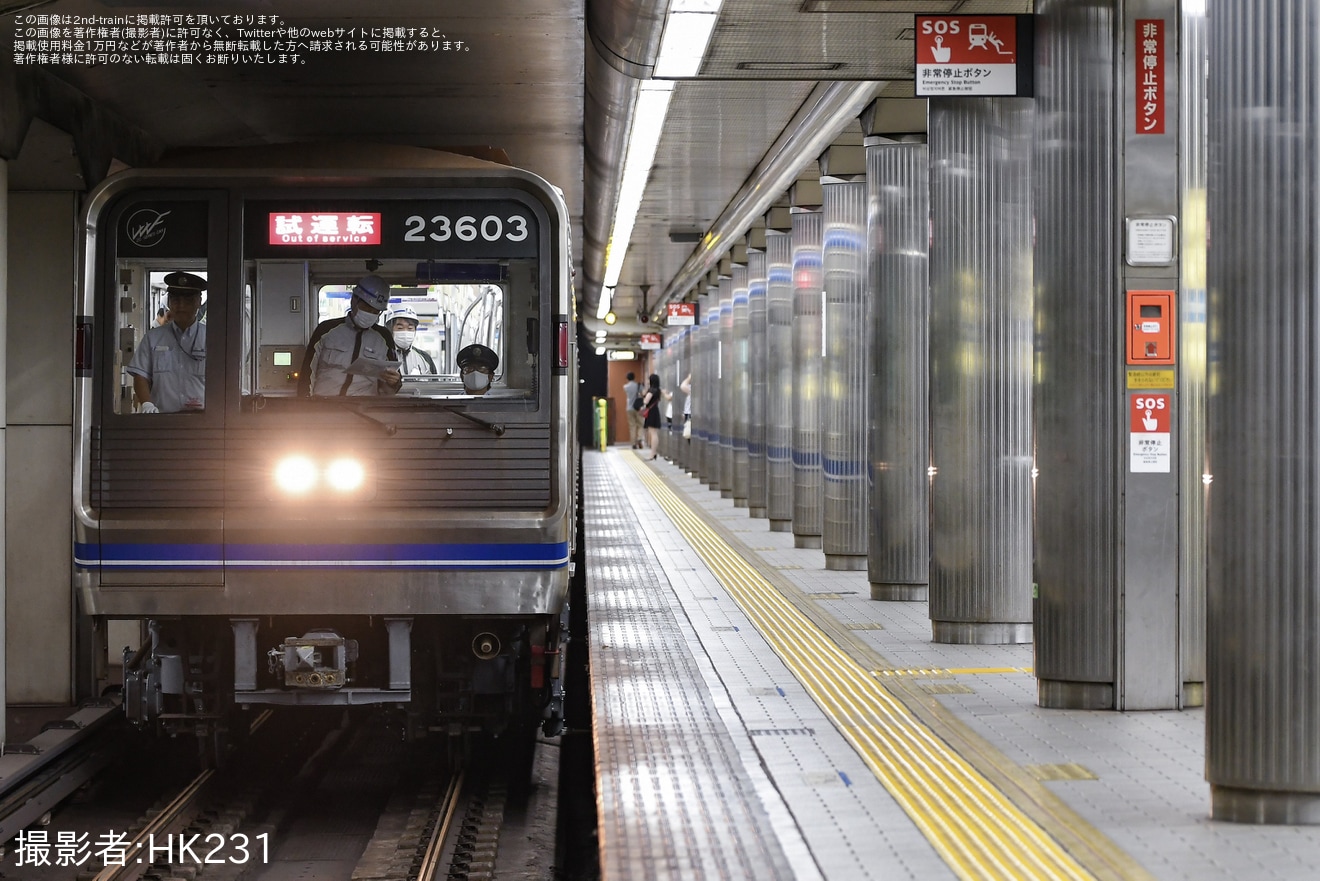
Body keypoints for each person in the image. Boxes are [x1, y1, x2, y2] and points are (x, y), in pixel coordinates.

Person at [298, 274, 402, 397]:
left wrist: (394, 382)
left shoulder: (384, 337)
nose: (370, 314)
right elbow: (308, 372)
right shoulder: (326, 329)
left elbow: (390, 387)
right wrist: (305, 405)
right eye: (367, 308)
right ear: (354, 301)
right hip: (324, 406)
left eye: (375, 312)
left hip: (363, 408)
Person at [128, 271, 208, 414]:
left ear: (198, 301)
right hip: (163, 420)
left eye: (188, 300)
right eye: (176, 300)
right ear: (169, 302)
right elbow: (141, 375)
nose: (181, 306)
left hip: (204, 419)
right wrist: (147, 404)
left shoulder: (212, 338)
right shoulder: (153, 337)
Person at [388, 306, 437, 375]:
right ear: (390, 329)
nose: (405, 332)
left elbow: (434, 384)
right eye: (400, 328)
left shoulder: (425, 358)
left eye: (410, 328)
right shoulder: (381, 357)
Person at [639, 373, 669, 460]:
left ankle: (652, 454)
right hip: (655, 411)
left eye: (649, 380)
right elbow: (665, 396)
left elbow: (646, 401)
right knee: (653, 432)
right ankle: (653, 453)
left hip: (651, 412)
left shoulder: (651, 390)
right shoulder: (658, 390)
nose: (648, 381)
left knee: (653, 433)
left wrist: (644, 397)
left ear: (651, 381)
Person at [623, 371, 643, 449]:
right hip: (638, 408)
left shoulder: (625, 387)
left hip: (629, 408)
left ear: (627, 378)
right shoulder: (639, 385)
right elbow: (642, 394)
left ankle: (633, 443)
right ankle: (639, 438)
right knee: (640, 424)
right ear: (634, 377)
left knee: (632, 426)